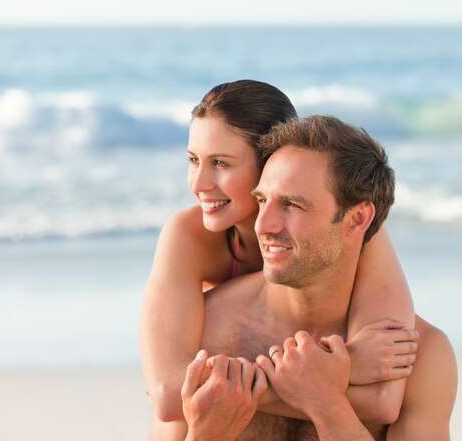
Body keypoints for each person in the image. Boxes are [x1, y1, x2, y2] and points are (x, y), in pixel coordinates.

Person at [140, 81, 417, 439]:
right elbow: (166, 393)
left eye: (221, 163)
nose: (199, 182)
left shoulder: (357, 228)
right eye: (193, 160)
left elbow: (381, 398)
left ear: (273, 159)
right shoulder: (189, 237)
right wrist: (342, 368)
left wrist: (241, 388)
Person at [181, 115, 457, 441]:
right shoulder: (207, 332)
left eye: (292, 205)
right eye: (262, 201)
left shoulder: (415, 357)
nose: (262, 225)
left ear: (357, 219)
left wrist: (324, 402)